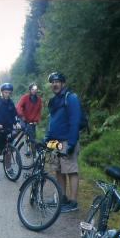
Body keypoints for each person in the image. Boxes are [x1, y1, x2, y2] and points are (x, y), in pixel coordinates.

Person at [44, 72, 82, 213]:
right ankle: (62, 198)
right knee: (59, 170)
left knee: (71, 171)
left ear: (63, 83)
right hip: (56, 142)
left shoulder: (70, 98)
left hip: (67, 140)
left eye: (58, 81)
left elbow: (75, 121)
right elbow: (52, 122)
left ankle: (73, 202)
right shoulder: (54, 100)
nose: (55, 84)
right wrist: (47, 138)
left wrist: (72, 143)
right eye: (53, 82)